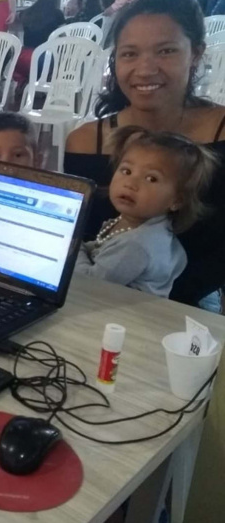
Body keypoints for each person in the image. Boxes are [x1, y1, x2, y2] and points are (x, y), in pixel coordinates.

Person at [64, 0, 225, 309]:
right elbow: (83, 237)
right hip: (101, 300)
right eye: (129, 54)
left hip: (188, 307)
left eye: (166, 51)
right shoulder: (86, 141)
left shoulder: (220, 131)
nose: (145, 68)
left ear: (196, 54)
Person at [75, 126, 217, 297]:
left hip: (122, 315)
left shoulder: (136, 244)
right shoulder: (137, 224)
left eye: (151, 178)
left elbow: (91, 283)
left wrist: (72, 245)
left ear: (176, 200)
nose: (131, 183)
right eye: (126, 171)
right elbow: (100, 248)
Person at [12, 0, 66, 85]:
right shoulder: (57, 14)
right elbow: (64, 37)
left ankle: (25, 84)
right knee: (60, 55)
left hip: (23, 58)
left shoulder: (27, 12)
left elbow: (14, 22)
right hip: (43, 59)